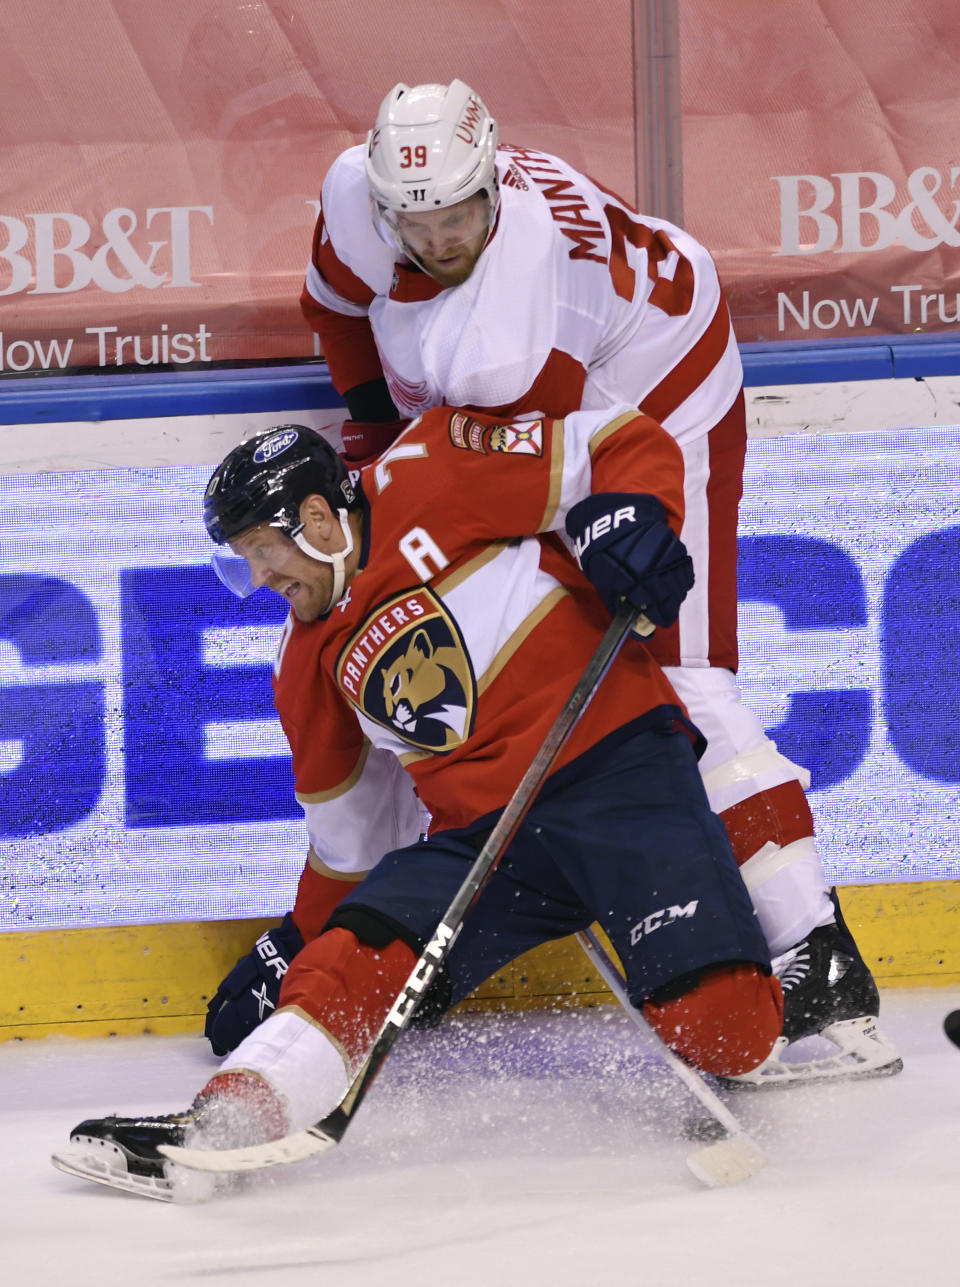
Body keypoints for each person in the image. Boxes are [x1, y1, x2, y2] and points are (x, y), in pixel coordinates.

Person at [289, 77, 900, 1084]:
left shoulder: (513, 325)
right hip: (568, 380)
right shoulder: (358, 197)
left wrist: (620, 533)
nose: (438, 237)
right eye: (417, 218)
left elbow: (556, 470)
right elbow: (335, 306)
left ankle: (817, 957)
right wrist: (369, 435)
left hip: (655, 385)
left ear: (493, 181)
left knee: (683, 677)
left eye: (458, 213)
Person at [52, 411, 783, 1199]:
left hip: (622, 775)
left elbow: (617, 440)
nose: (261, 580)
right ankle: (220, 1124)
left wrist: (630, 510)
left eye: (263, 554)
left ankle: (725, 951)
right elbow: (350, 841)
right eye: (246, 564)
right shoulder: (304, 664)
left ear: (318, 518)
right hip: (489, 845)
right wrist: (303, 942)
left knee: (728, 1029)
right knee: (352, 954)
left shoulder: (435, 464)